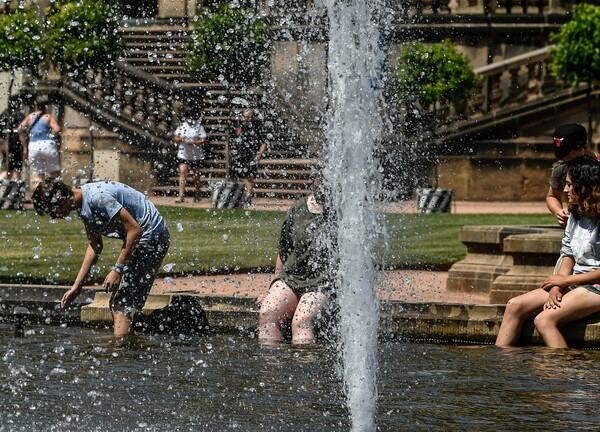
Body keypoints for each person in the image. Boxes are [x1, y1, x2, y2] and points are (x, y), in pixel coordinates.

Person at [32, 178, 170, 337]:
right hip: (143, 238)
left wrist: (117, 270)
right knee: (119, 303)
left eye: (51, 212)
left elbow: (135, 230)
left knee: (120, 304)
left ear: (62, 201)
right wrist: (77, 286)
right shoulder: (82, 205)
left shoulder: (97, 198)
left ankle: (122, 354)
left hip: (152, 237)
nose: (53, 217)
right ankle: (126, 349)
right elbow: (95, 246)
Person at [496, 156, 600, 348]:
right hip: (576, 282)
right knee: (514, 306)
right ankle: (502, 368)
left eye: (570, 184)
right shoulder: (575, 216)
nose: (565, 190)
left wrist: (564, 282)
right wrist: (555, 287)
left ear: (586, 186)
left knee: (544, 320)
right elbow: (568, 256)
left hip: (596, 287)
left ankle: (560, 374)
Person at [258, 178, 337, 344]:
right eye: (318, 180)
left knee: (302, 321)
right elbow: (283, 249)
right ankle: (269, 367)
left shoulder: (345, 211)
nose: (320, 185)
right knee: (268, 313)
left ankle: (305, 367)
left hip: (325, 282)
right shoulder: (299, 207)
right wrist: (274, 285)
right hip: (293, 277)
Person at [546, 123, 595, 227]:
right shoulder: (561, 167)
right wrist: (558, 211)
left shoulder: (597, 167)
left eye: (569, 158)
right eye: (563, 158)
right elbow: (552, 196)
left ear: (585, 148)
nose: (565, 162)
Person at [18, 101, 61, 188]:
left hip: (33, 145)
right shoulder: (48, 116)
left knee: (38, 175)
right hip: (47, 145)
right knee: (54, 174)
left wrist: (25, 146)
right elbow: (57, 129)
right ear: (46, 108)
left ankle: (38, 197)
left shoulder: (30, 116)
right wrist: (53, 136)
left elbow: (19, 129)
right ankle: (56, 193)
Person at [228, 108, 267, 204]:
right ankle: (238, 196)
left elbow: (263, 143)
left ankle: (248, 197)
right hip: (238, 155)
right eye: (245, 116)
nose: (247, 119)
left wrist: (259, 154)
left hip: (251, 155)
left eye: (249, 117)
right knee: (238, 176)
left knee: (250, 177)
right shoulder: (237, 126)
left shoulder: (256, 128)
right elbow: (230, 140)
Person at [173, 108, 208, 203]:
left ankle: (197, 193)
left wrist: (194, 142)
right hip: (183, 154)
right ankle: (181, 195)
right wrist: (180, 138)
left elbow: (203, 139)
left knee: (196, 175)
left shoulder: (198, 127)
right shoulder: (181, 126)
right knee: (183, 173)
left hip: (195, 155)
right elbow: (175, 138)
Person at [0, 97, 25, 180]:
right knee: (17, 170)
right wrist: (25, 147)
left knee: (7, 169)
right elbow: (22, 132)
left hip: (6, 145)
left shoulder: (4, 114)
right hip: (17, 145)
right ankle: (15, 191)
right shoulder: (20, 115)